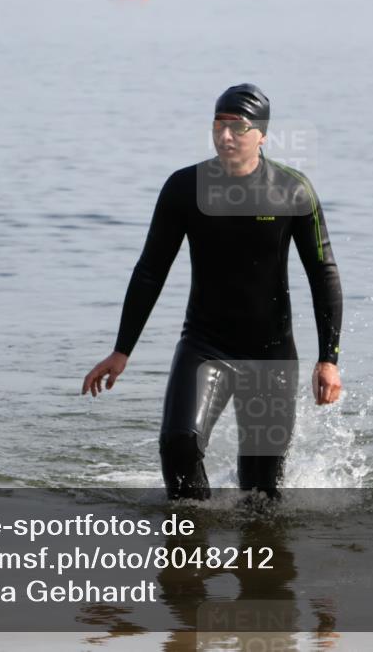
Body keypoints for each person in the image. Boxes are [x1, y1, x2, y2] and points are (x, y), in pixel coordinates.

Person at [81, 83, 343, 499]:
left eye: (237, 127)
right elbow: (151, 270)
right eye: (218, 125)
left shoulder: (292, 191)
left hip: (270, 354)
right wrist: (121, 350)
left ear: (261, 135)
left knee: (260, 492)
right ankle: (190, 543)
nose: (225, 136)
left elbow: (323, 273)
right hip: (205, 345)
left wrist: (328, 360)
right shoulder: (185, 188)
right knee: (178, 445)